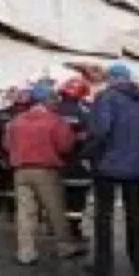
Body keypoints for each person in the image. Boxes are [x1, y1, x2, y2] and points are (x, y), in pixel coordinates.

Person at [4, 82, 87, 266]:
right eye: (54, 98)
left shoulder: (16, 121)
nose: (57, 102)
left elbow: (7, 145)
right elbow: (65, 146)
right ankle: (65, 246)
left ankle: (26, 252)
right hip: (46, 171)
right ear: (47, 100)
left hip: (21, 171)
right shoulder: (55, 121)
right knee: (55, 209)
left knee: (25, 213)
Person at [85, 63, 139, 276]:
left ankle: (103, 265)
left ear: (113, 78)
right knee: (134, 215)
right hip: (137, 167)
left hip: (108, 166)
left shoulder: (107, 97)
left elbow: (101, 130)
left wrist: (88, 154)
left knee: (104, 216)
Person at [56, 77, 93, 241]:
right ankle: (73, 230)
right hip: (80, 162)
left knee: (59, 197)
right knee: (77, 200)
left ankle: (59, 228)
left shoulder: (54, 108)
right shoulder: (86, 109)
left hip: (58, 162)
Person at [0, 88, 31, 222]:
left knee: (4, 181)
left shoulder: (1, 114)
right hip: (20, 154)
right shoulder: (30, 114)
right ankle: (11, 208)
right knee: (14, 182)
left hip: (5, 154)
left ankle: (2, 206)